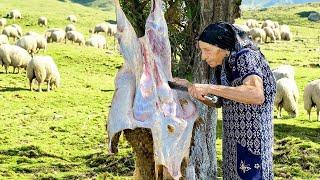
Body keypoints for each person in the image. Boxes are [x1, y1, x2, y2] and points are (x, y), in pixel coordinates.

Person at [174, 22, 276, 179]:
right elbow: (219, 101)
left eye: (207, 50)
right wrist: (191, 88)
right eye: (201, 51)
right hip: (233, 144)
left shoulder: (245, 57)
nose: (203, 56)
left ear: (222, 46)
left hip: (252, 144)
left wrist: (209, 88)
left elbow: (256, 94)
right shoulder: (224, 64)